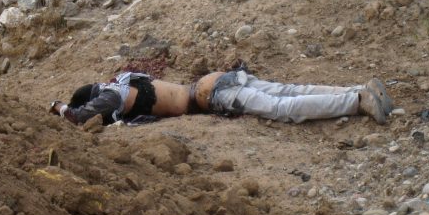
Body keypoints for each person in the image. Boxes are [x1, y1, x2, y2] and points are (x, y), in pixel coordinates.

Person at [49, 68, 393, 126]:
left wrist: (60, 107)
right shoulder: (127, 81)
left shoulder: (110, 96)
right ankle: (357, 91)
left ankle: (356, 102)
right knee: (290, 91)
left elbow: (79, 118)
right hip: (217, 81)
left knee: (283, 108)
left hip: (213, 95)